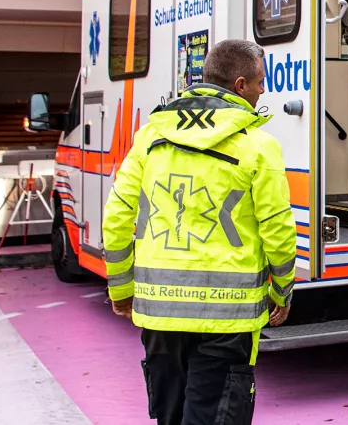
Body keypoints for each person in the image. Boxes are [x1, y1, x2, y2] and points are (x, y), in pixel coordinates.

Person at [103, 39, 297, 425]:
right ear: (240, 86)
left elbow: (118, 217)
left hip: (160, 315)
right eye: (260, 82)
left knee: (170, 418)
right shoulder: (258, 145)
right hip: (229, 318)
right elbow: (278, 229)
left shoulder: (151, 136)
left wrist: (122, 290)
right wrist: (281, 291)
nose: (263, 91)